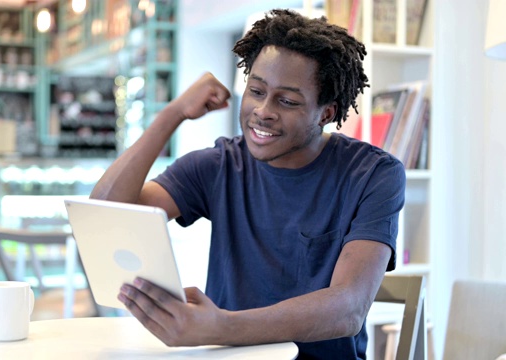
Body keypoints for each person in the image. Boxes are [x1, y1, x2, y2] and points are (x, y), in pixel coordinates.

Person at [90, 8, 405, 359]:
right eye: (256, 91)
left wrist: (220, 327)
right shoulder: (221, 164)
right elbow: (104, 215)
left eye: (287, 101)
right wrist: (172, 114)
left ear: (326, 113)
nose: (263, 110)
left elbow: (348, 309)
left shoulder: (373, 175)